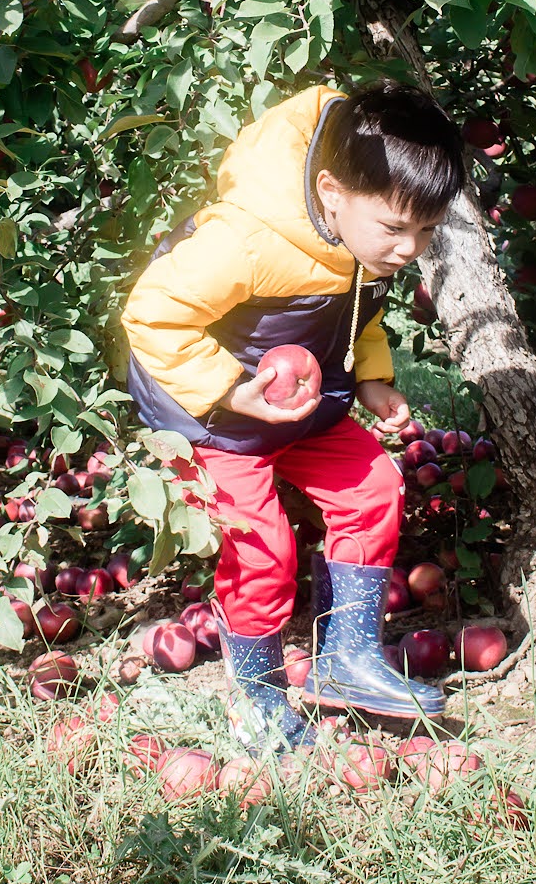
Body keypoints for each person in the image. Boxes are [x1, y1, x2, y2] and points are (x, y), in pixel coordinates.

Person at [120, 79, 466, 753]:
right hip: (213, 416)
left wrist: (371, 378)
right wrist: (228, 388)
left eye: (426, 230)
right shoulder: (246, 240)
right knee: (263, 549)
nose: (409, 249)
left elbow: (358, 310)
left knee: (372, 490)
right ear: (332, 193)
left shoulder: (363, 236)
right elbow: (152, 315)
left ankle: (347, 661)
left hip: (298, 405)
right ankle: (256, 699)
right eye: (396, 228)